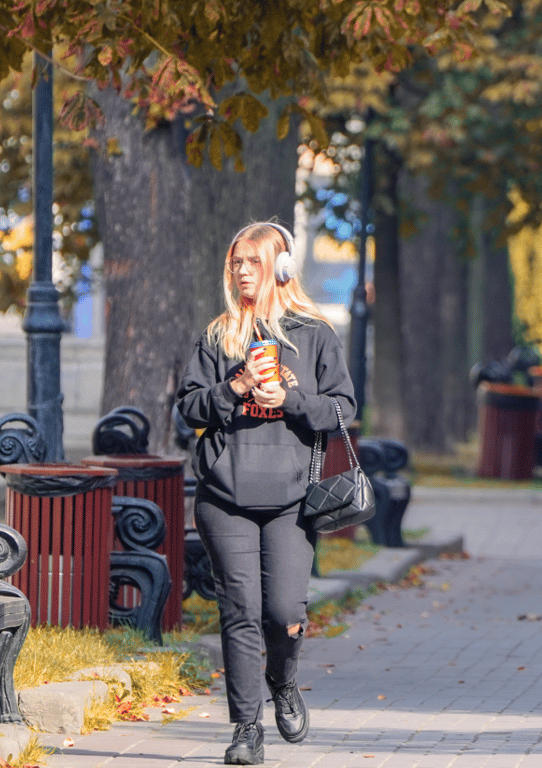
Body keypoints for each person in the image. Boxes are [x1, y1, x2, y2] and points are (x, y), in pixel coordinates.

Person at [177, 221, 355, 765]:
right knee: (240, 610)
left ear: (280, 268)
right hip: (224, 496)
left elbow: (345, 409)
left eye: (252, 262)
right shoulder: (218, 336)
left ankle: (283, 681)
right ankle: (246, 729)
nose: (242, 272)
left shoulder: (314, 335)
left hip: (293, 499)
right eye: (235, 263)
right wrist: (233, 388)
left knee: (283, 612)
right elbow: (187, 408)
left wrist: (292, 400)